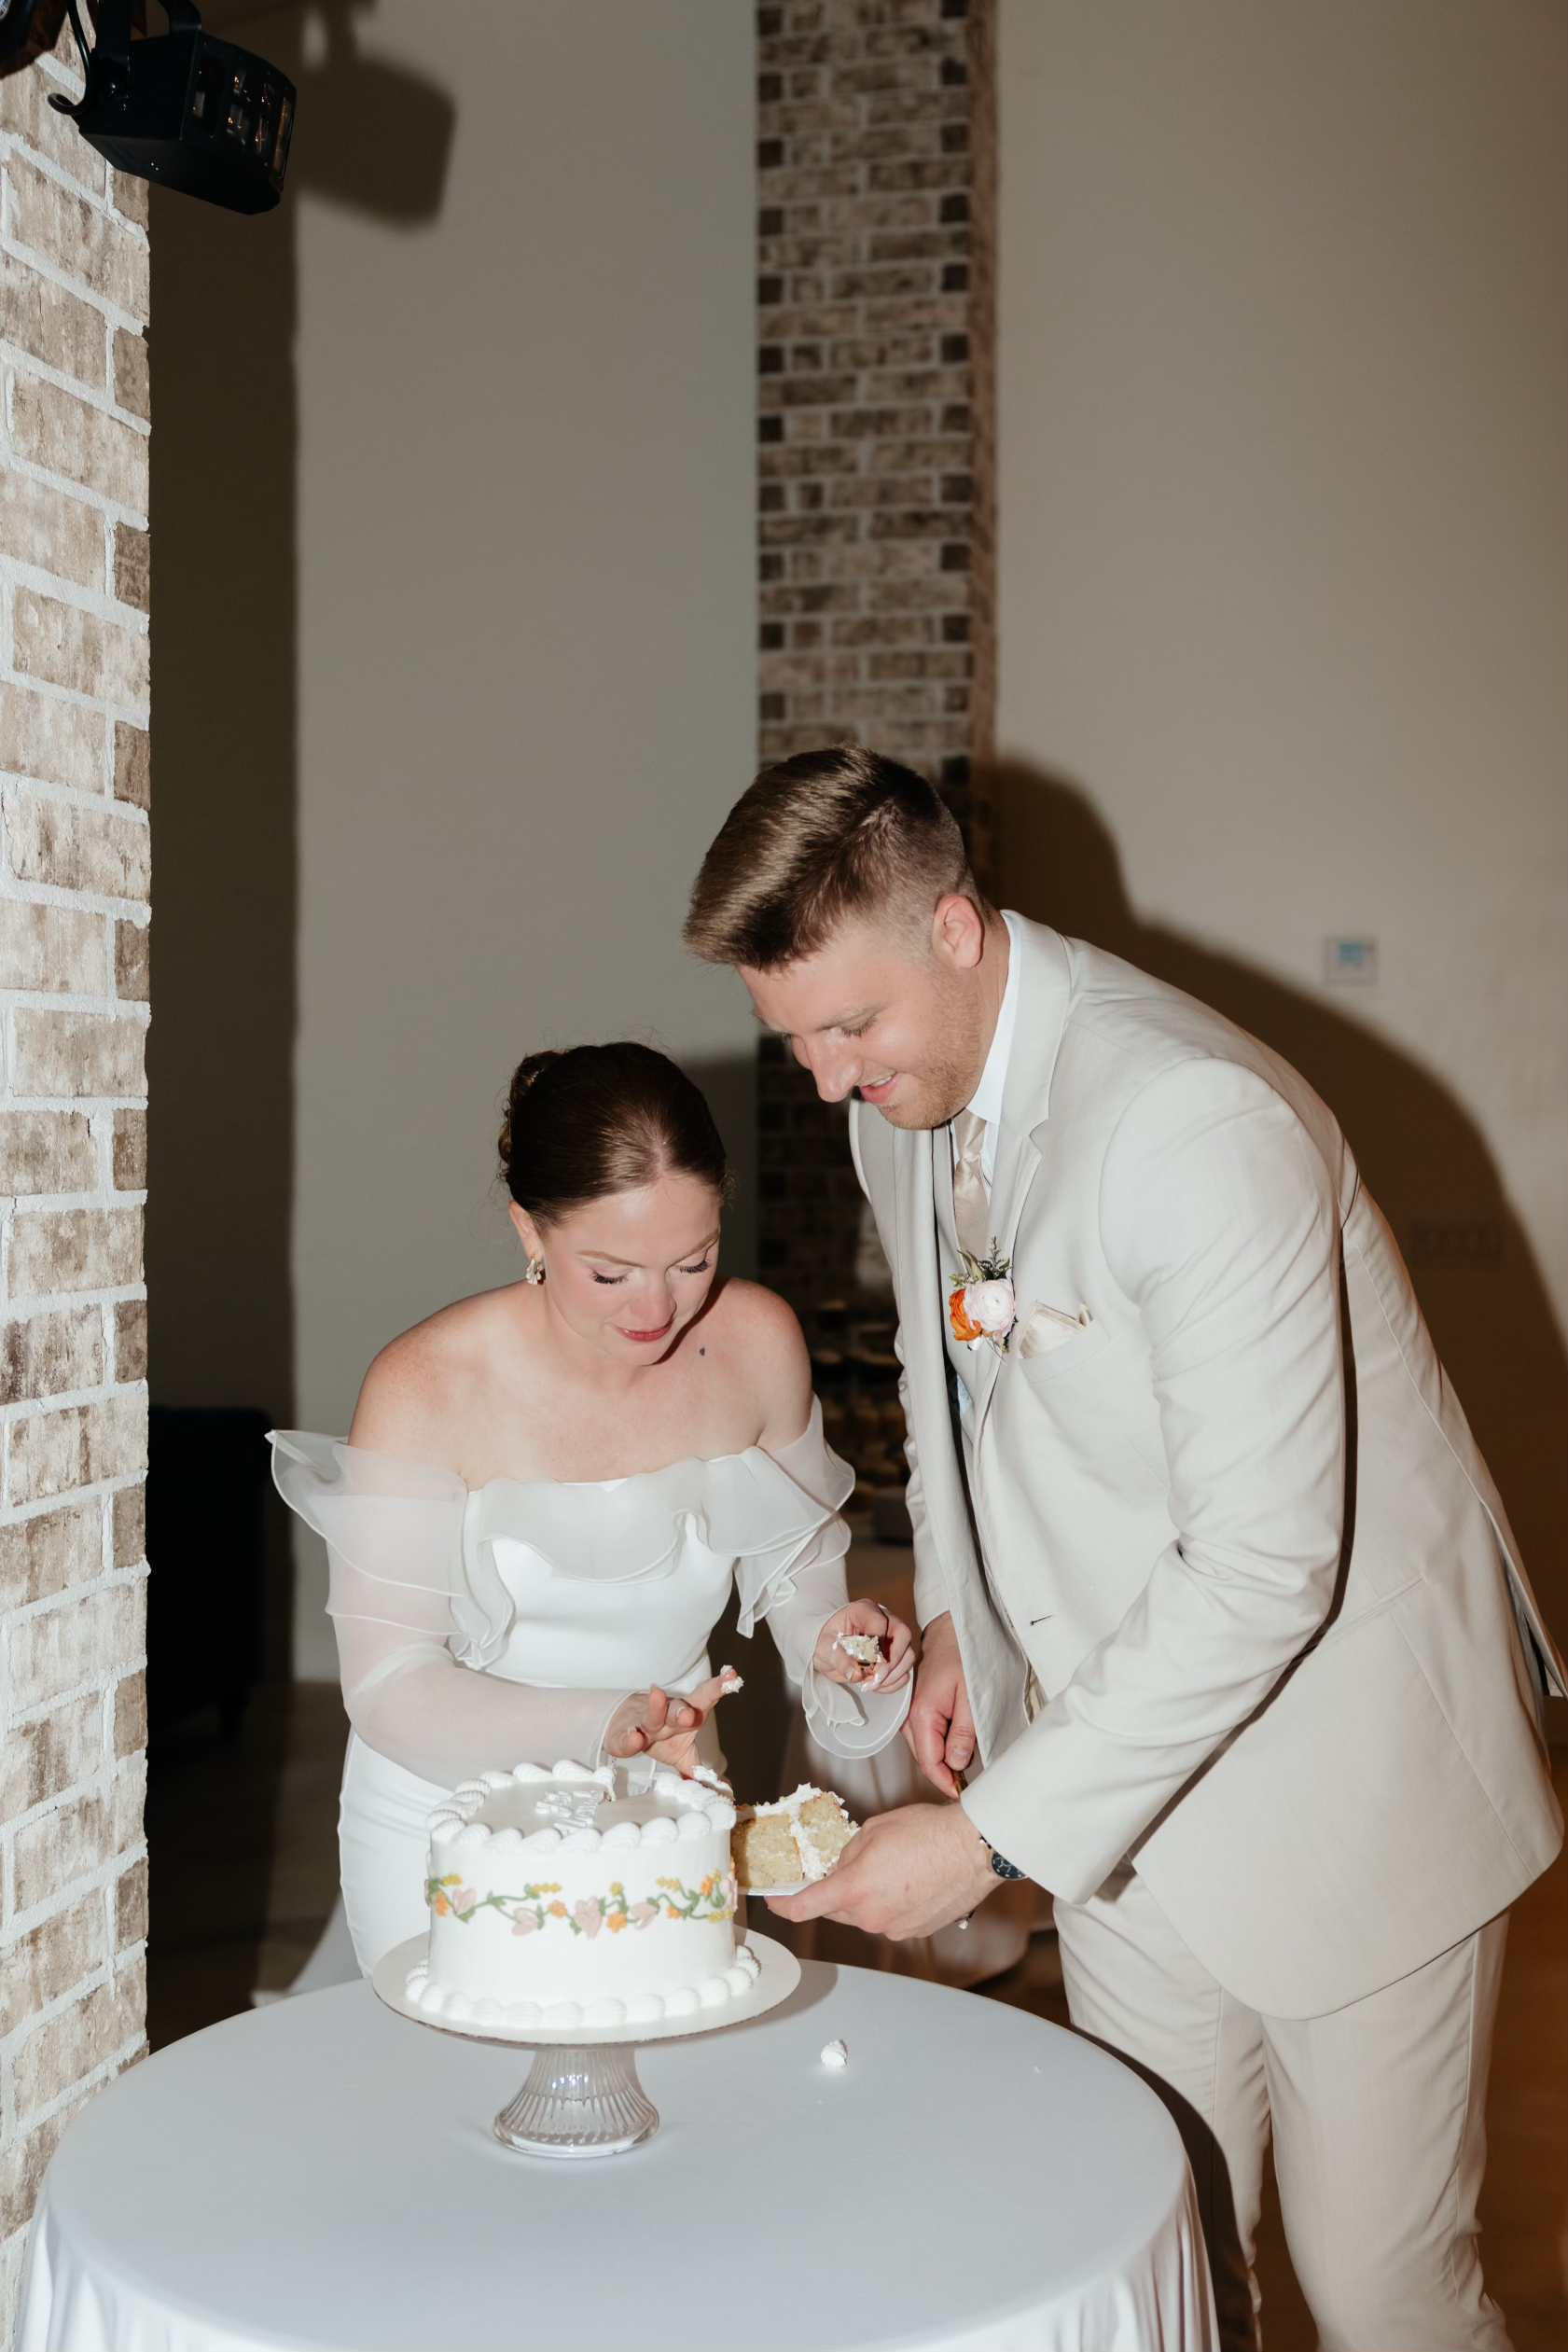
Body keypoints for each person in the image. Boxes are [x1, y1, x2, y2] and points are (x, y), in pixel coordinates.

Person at [684, 745, 1565, 2352]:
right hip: (1111, 1775)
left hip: (1344, 1779)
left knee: (1383, 2288)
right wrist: (958, 1621)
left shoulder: (1188, 1121)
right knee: (1162, 2247)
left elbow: (1264, 1569)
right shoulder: (904, 1101)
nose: (820, 1081)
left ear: (955, 928)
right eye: (792, 1036)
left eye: (846, 1025)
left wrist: (987, 1839)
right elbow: (943, 1381)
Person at [271, 1041, 912, 1974]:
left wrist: (837, 1638)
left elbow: (795, 1574)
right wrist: (602, 1721)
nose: (656, 1307)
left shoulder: (756, 1341)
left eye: (693, 1259)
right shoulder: (426, 1385)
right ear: (530, 1232)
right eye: (610, 1273)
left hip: (674, 1814)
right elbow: (389, 1686)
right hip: (451, 1828)